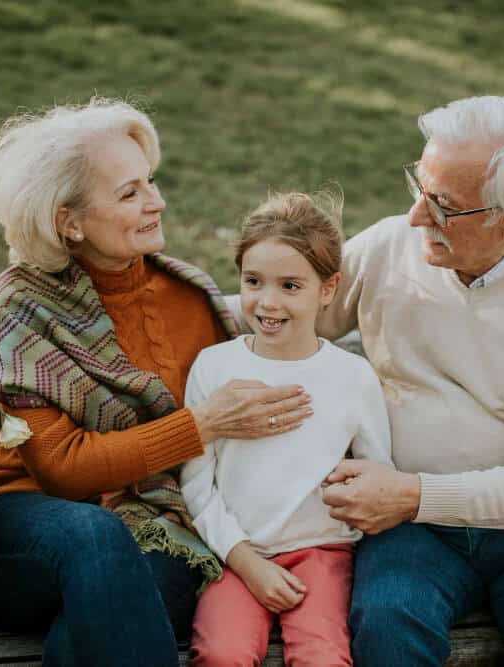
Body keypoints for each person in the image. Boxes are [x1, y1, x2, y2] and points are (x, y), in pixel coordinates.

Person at [0, 98, 314, 667]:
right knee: (98, 538)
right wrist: (203, 424)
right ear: (68, 221)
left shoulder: (191, 295)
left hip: (155, 523)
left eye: (151, 183)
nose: (157, 202)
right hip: (20, 529)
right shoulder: (20, 303)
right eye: (129, 193)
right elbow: (61, 468)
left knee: (143, 592)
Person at [316, 96, 504, 666]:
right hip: (418, 531)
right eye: (419, 187)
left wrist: (410, 494)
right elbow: (285, 310)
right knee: (387, 628)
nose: (415, 217)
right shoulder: (390, 246)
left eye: (443, 206)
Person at [180, 192, 393, 667]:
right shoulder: (214, 367)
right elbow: (196, 481)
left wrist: (350, 495)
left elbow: (378, 473)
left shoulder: (352, 377)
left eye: (290, 286)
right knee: (221, 654)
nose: (267, 301)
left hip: (323, 555)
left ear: (328, 288)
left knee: (323, 657)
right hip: (235, 554)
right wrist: (244, 561)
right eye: (253, 281)